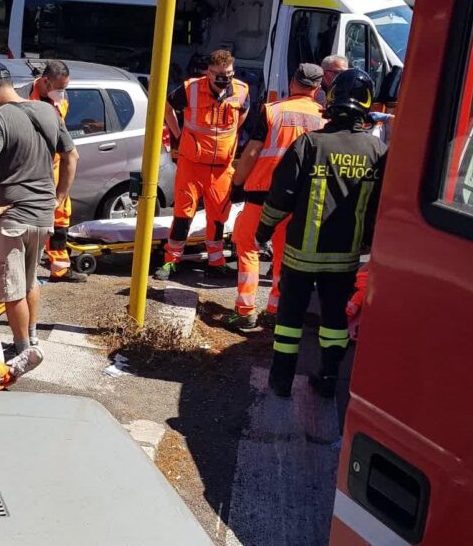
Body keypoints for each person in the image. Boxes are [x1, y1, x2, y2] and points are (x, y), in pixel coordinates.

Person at [255, 69, 387, 399]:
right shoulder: (378, 153)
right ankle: (329, 378)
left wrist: (264, 229)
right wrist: (370, 241)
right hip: (344, 259)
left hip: (301, 255)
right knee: (333, 322)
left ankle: (281, 381)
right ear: (367, 105)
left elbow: (280, 196)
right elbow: (381, 208)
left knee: (289, 321)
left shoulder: (310, 144)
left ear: (331, 100)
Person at [0, 61, 79, 355]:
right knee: (30, 280)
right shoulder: (47, 111)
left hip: (13, 217)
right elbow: (72, 157)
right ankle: (31, 338)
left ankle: (21, 351)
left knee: (12, 288)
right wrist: (59, 197)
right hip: (43, 215)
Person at [226, 64, 325, 330]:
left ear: (293, 82)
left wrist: (237, 183)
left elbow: (252, 152)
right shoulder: (324, 118)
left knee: (247, 246)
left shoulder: (272, 110)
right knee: (284, 254)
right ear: (316, 89)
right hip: (298, 198)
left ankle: (245, 311)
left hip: (262, 193)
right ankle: (276, 309)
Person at [155, 49, 250, 280]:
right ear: (208, 72)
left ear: (233, 71)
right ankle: (171, 261)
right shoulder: (191, 89)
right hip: (192, 164)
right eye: (217, 73)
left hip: (221, 168)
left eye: (227, 73)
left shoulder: (242, 90)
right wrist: (178, 134)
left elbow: (243, 113)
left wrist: (231, 138)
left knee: (218, 217)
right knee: (183, 214)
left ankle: (216, 261)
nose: (222, 78)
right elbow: (167, 109)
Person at [30, 60, 84, 283]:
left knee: (61, 216)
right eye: (59, 88)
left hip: (54, 166)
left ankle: (59, 267)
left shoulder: (61, 101)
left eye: (65, 88)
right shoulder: (25, 99)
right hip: (31, 168)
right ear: (45, 81)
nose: (63, 93)